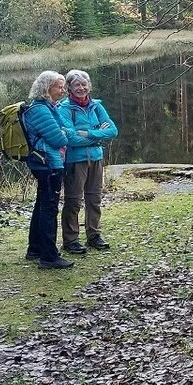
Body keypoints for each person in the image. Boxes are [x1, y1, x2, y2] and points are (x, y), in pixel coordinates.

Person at [57, 70, 119, 254]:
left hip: (96, 158)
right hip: (75, 160)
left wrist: (90, 134)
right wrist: (99, 135)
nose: (81, 88)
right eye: (77, 85)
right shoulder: (64, 109)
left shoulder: (97, 106)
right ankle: (71, 240)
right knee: (74, 201)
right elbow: (72, 139)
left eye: (84, 84)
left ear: (89, 86)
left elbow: (113, 131)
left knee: (94, 199)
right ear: (69, 88)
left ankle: (94, 235)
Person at [22, 71, 76, 269]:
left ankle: (35, 249)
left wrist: (64, 131)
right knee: (49, 209)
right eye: (59, 87)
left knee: (42, 205)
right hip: (48, 165)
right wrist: (65, 133)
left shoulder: (47, 107)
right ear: (47, 88)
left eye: (63, 87)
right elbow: (60, 139)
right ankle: (49, 257)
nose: (63, 90)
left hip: (45, 163)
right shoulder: (41, 110)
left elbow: (62, 132)